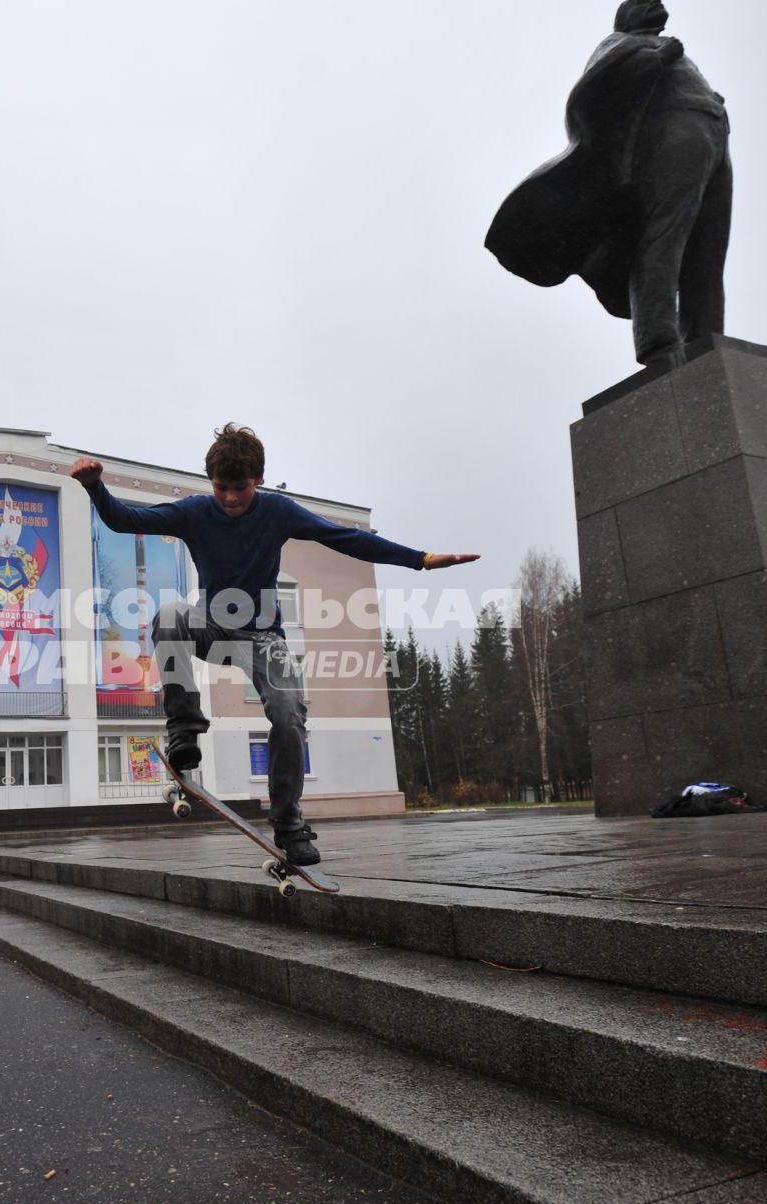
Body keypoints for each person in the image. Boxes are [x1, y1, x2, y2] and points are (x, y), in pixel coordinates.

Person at [70, 424, 478, 866]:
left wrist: (418, 559)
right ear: (211, 482)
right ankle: (184, 731)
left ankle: (289, 822)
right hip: (210, 625)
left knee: (288, 713)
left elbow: (347, 539)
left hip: (264, 639)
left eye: (240, 489)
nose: (229, 498)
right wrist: (95, 486)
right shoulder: (193, 512)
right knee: (169, 614)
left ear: (258, 481)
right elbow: (126, 519)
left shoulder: (277, 512)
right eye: (222, 488)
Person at [485, 0, 731, 366]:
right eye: (644, 2)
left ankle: (704, 337)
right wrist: (657, 59)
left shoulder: (655, 44)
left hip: (712, 134)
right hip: (675, 135)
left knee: (708, 247)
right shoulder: (620, 42)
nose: (656, 3)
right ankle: (657, 338)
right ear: (627, 17)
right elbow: (597, 89)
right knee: (667, 231)